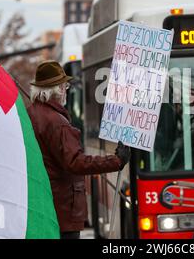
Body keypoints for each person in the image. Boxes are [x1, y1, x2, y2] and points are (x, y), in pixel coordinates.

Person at [27, 60, 131, 239]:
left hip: (43, 205)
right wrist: (116, 161)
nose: (66, 89)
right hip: (63, 210)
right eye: (65, 85)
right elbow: (75, 162)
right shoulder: (57, 123)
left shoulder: (31, 114)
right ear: (58, 89)